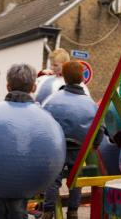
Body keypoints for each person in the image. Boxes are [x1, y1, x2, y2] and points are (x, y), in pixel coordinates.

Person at [0, 64, 65, 219]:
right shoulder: (45, 118)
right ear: (33, 87)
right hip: (26, 179)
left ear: (7, 86)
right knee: (17, 208)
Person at [42, 61, 102, 219]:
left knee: (53, 179)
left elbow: (41, 123)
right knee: (76, 179)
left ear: (64, 77)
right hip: (80, 149)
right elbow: (99, 128)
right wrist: (95, 145)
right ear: (82, 78)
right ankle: (73, 211)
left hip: (57, 149)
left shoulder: (51, 101)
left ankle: (48, 211)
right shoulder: (91, 105)